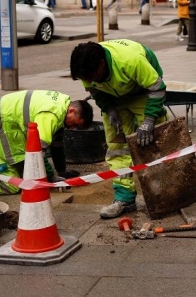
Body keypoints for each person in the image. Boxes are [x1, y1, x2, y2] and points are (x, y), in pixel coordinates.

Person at [69, 40, 168, 218]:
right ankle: (125, 199)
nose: (89, 80)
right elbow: (94, 90)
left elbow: (157, 88)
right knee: (117, 149)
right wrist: (108, 108)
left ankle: (166, 194)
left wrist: (149, 120)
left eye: (91, 76)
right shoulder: (86, 68)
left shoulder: (130, 61)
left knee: (155, 142)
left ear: (101, 64)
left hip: (144, 92)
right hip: (113, 97)